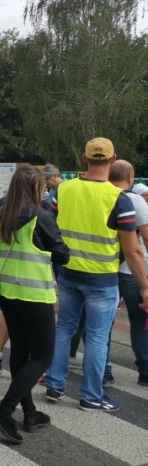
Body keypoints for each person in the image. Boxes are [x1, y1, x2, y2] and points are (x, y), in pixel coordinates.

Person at [45, 138, 148, 411]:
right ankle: (91, 395)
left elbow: (48, 226)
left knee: (65, 327)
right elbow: (134, 251)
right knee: (97, 336)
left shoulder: (63, 190)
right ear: (113, 160)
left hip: (68, 273)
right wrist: (145, 288)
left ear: (84, 158)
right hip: (102, 279)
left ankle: (54, 383)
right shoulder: (119, 200)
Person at [0, 165, 69, 444]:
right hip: (35, 295)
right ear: (35, 188)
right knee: (43, 356)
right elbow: (62, 254)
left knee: (21, 350)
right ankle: (5, 409)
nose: (45, 189)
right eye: (42, 186)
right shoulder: (41, 217)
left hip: (7, 293)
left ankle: (30, 411)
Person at [109, 161, 148, 386]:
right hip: (132, 271)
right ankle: (145, 369)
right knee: (139, 319)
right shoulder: (135, 201)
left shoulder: (100, 196)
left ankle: (102, 370)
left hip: (104, 269)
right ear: (131, 176)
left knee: (102, 323)